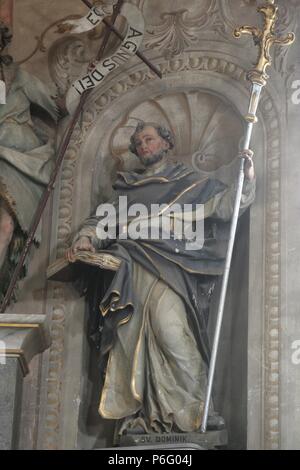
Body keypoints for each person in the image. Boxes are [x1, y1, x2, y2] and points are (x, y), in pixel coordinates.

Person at [67, 121, 255, 435]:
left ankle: (197, 410)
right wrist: (87, 237)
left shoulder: (190, 182)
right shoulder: (128, 188)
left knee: (172, 333)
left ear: (167, 142)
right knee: (130, 339)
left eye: (150, 139)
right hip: (133, 269)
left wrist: (245, 179)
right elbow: (102, 220)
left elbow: (225, 206)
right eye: (138, 142)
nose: (144, 146)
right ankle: (142, 416)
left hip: (172, 266)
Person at [0, 21, 58, 302]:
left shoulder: (18, 77)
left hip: (18, 161)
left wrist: (84, 85)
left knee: (6, 226)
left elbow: (57, 107)